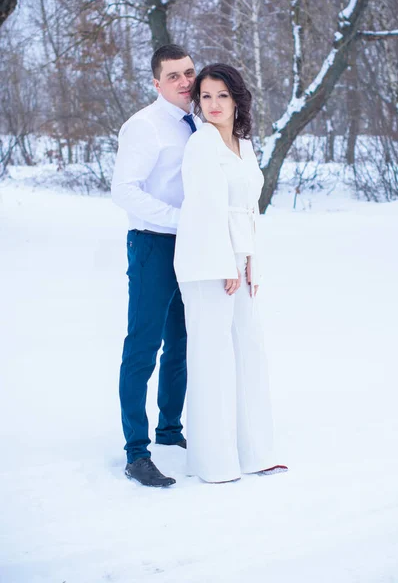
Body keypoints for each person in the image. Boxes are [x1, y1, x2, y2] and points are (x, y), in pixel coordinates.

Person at [174, 64, 287, 483]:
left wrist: (249, 259)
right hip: (208, 261)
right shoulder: (201, 144)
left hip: (239, 259)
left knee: (249, 349)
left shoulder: (244, 144)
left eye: (222, 95)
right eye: (205, 96)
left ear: (237, 99)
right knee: (211, 355)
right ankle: (213, 461)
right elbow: (204, 209)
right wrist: (225, 263)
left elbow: (249, 208)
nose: (214, 104)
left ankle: (255, 451)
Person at [111, 44, 200, 488]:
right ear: (156, 83)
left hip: (192, 249)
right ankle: (136, 452)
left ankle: (170, 430)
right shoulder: (144, 127)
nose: (186, 82)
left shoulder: (199, 122)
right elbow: (124, 189)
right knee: (142, 347)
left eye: (189, 72)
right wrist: (181, 222)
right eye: (174, 76)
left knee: (181, 343)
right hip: (152, 245)